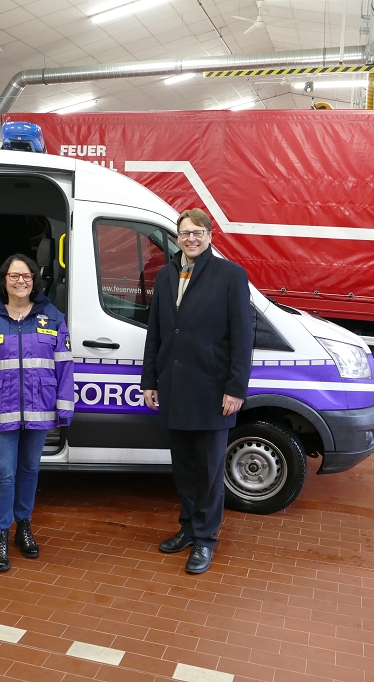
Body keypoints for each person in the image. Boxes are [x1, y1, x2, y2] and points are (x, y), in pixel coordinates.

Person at [141, 208, 253, 574]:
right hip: (174, 390)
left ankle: (205, 540)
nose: (191, 238)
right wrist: (149, 382)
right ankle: (188, 529)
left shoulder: (230, 275)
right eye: (185, 232)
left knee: (208, 472)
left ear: (209, 235)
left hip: (212, 393)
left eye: (198, 232)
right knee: (185, 469)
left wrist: (235, 388)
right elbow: (155, 333)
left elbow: (242, 338)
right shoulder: (165, 276)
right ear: (177, 237)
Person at [0, 254, 73, 572]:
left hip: (39, 410)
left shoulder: (52, 318)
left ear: (35, 280)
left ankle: (23, 526)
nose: (21, 281)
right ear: (4, 280)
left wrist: (64, 409)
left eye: (26, 276)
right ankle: (1, 534)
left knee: (28, 472)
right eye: (14, 276)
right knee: (3, 473)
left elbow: (65, 366)